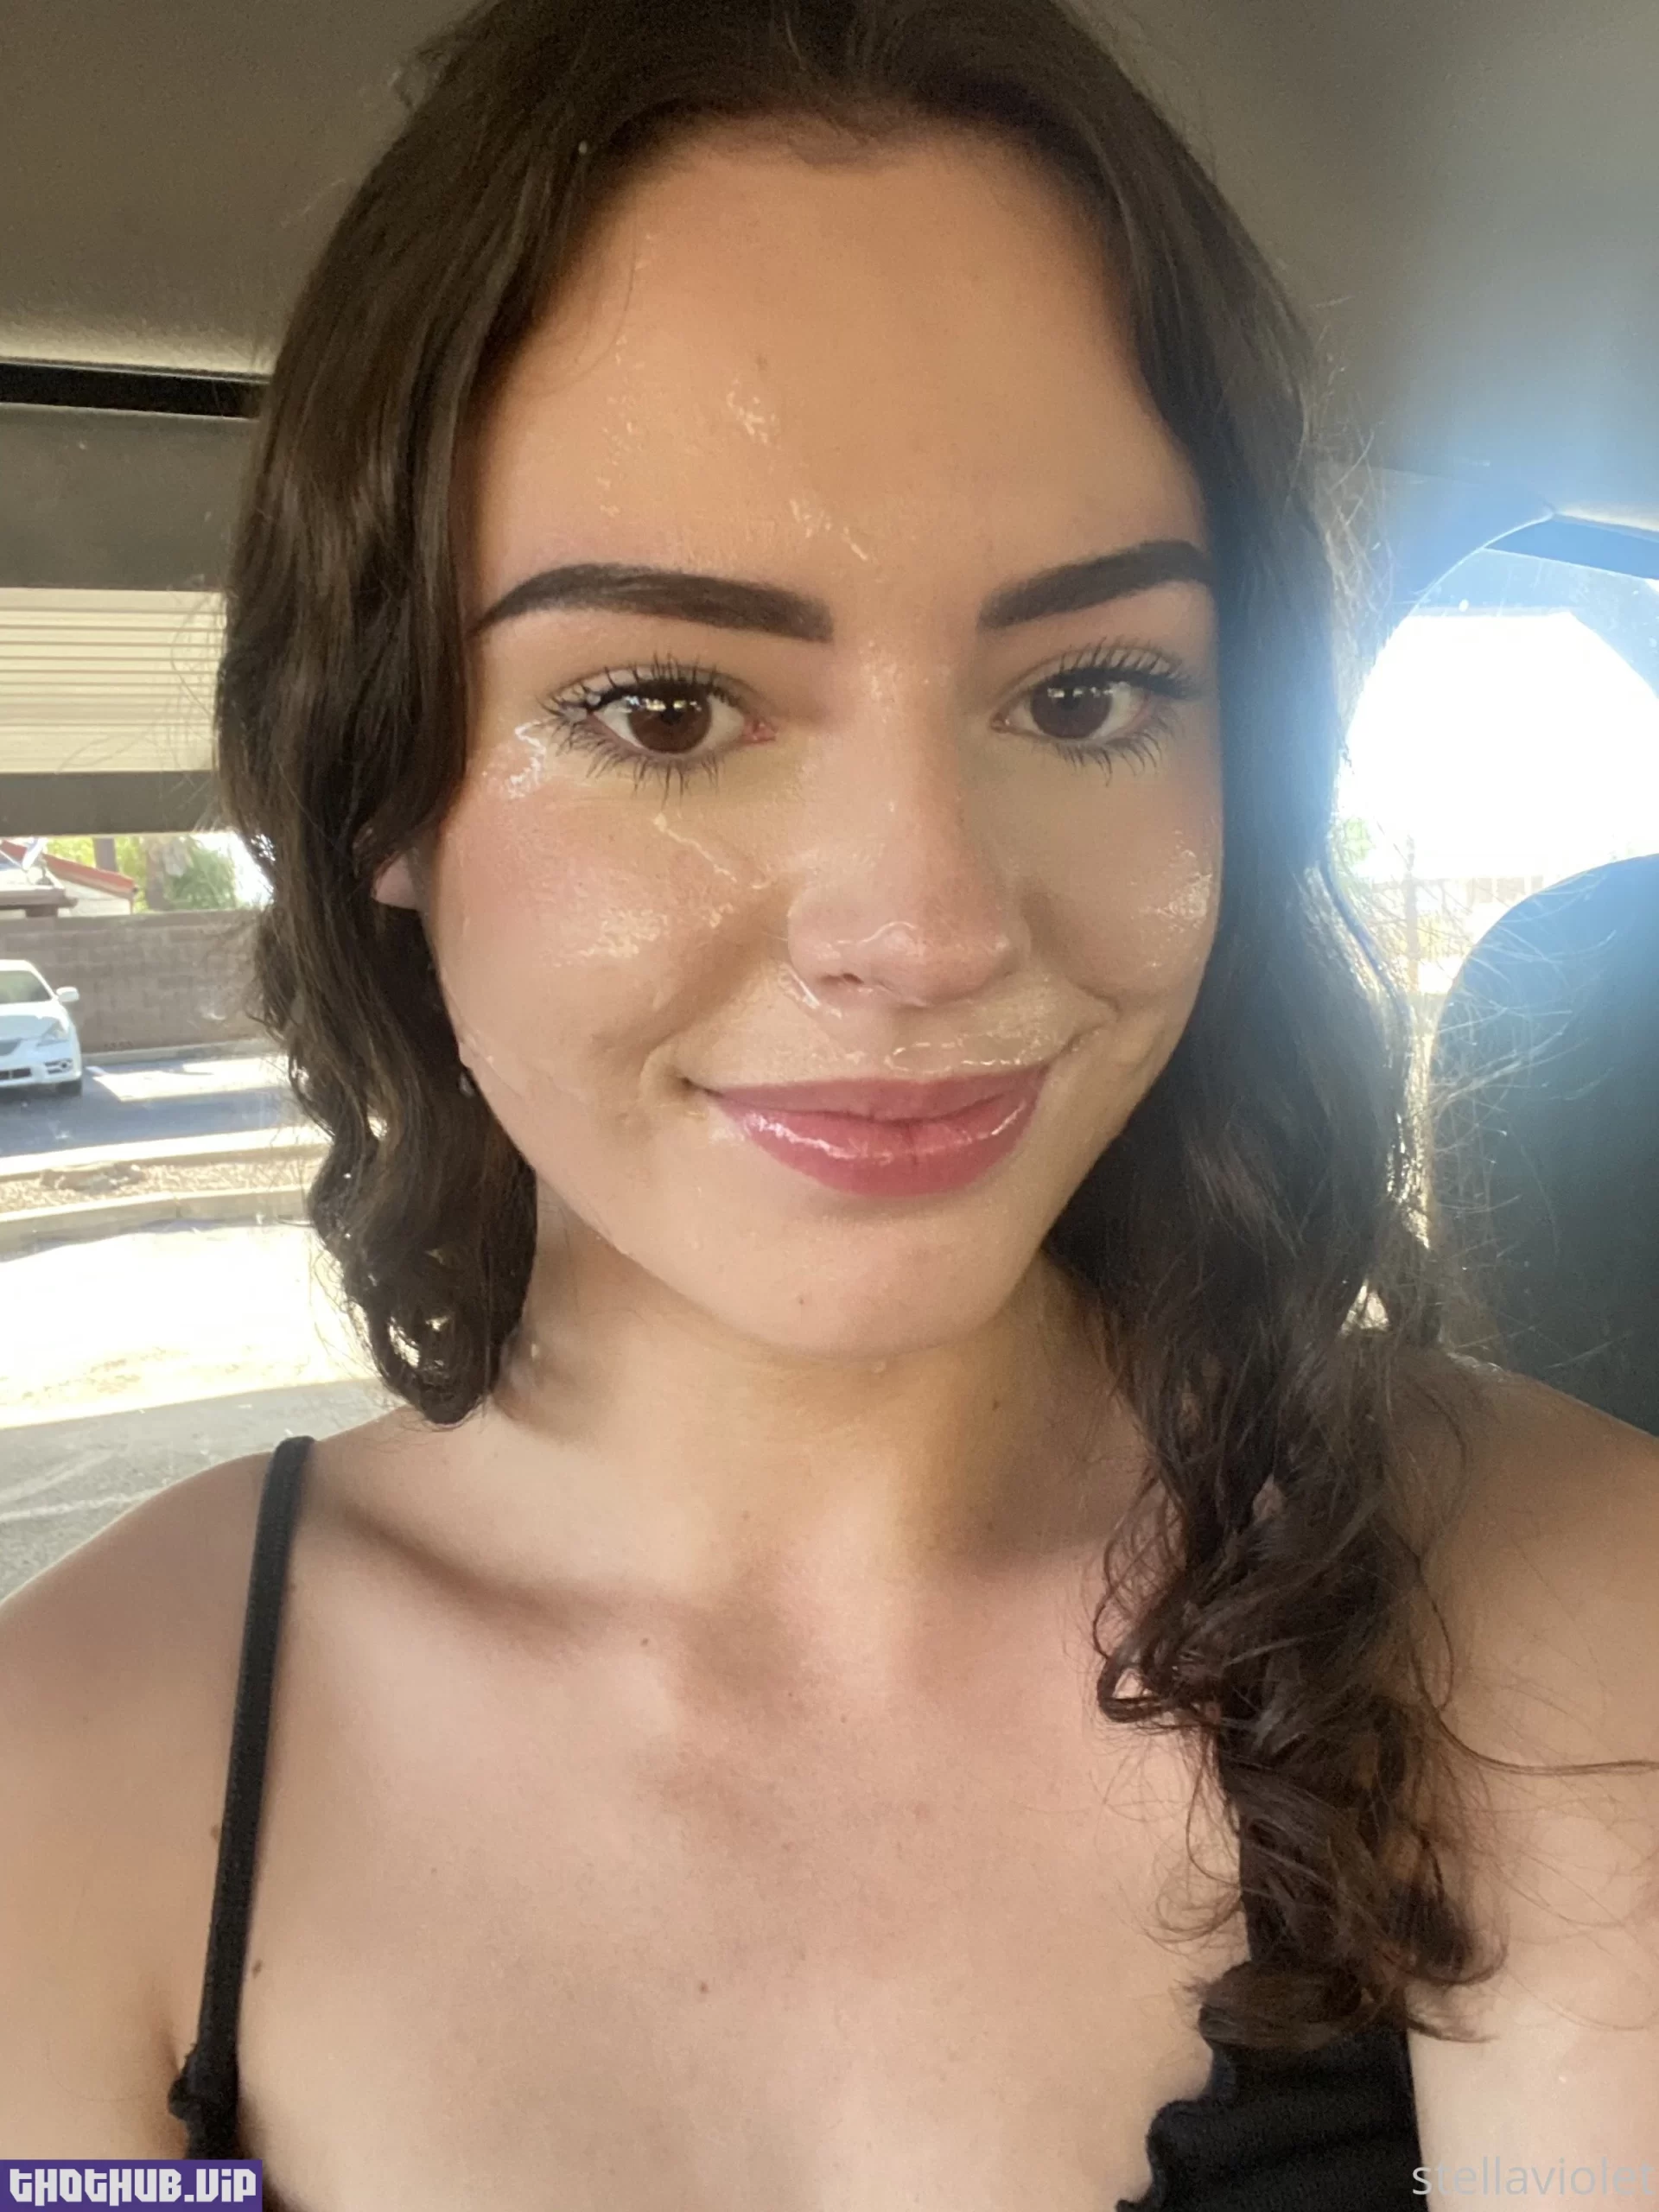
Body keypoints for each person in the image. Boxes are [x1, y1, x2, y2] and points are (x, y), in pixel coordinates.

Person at [3, 0, 1657, 2202]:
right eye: (666, 710)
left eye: (1088, 693)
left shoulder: (1556, 1598)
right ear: (376, 778)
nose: (927, 924)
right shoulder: (72, 1782)